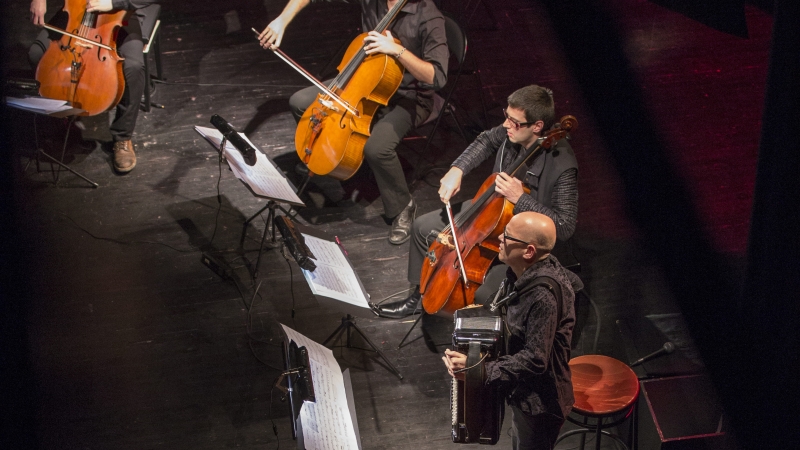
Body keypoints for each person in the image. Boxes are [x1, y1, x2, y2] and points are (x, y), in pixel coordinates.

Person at [373, 84, 578, 318]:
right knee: (421, 227)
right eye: (506, 116)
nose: (505, 125)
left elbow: (564, 226)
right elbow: (485, 141)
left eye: (514, 122)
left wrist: (519, 199)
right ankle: (419, 297)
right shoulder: (513, 130)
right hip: (489, 212)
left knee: (485, 292)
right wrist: (457, 169)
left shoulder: (562, 166)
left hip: (520, 241)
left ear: (537, 126)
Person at [257, 0, 449, 244]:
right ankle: (330, 155)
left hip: (409, 96)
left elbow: (438, 77)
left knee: (377, 148)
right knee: (300, 102)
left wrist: (397, 50)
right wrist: (282, 20)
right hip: (361, 81)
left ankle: (403, 206)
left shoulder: (429, 17)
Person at [443, 212, 575, 450]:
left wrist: (478, 370)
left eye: (508, 235)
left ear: (529, 252)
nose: (500, 237)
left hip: (539, 403)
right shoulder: (522, 272)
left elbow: (535, 359)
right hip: (521, 391)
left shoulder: (542, 297)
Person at [29, 0, 156, 173]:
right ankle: (62, 116)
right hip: (77, 11)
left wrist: (112, 3)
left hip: (120, 13)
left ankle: (122, 137)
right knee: (37, 54)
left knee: (132, 67)